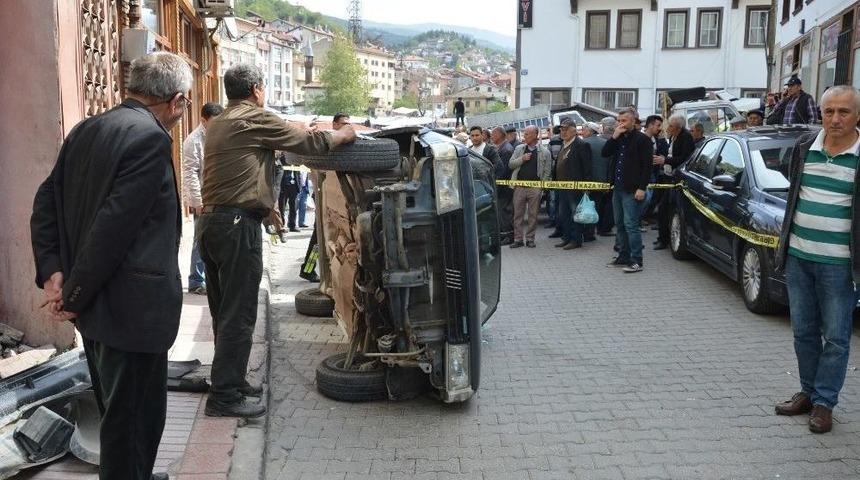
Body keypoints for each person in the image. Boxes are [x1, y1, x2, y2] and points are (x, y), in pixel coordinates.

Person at [30, 52, 191, 480]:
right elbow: (113, 228)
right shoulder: (150, 139)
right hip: (129, 310)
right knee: (133, 423)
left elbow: (45, 200)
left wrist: (54, 273)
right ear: (176, 101)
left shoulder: (87, 128)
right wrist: (72, 293)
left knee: (120, 416)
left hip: (101, 308)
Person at [199, 64, 356, 417]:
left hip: (213, 222)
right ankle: (224, 396)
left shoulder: (222, 119)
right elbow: (308, 142)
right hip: (236, 226)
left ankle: (230, 380)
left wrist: (267, 208)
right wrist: (344, 135)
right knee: (239, 313)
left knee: (224, 310)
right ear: (256, 89)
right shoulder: (254, 117)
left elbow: (241, 170)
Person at [773, 85, 860, 434]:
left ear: (857, 115)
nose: (835, 119)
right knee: (803, 332)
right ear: (820, 113)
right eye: (829, 111)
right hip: (798, 258)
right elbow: (792, 190)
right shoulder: (802, 148)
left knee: (837, 337)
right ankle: (808, 393)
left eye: (844, 112)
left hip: (839, 265)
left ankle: (825, 402)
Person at [299, 114, 351, 284]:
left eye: (349, 123)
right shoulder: (326, 143)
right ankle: (308, 269)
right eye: (343, 123)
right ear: (335, 124)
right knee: (318, 237)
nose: (346, 126)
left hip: (338, 197)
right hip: (324, 196)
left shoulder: (346, 144)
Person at [602, 108, 652, 273]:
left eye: (623, 120)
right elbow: (605, 153)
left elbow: (647, 166)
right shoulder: (619, 138)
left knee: (631, 224)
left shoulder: (643, 140)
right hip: (618, 188)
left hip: (632, 189)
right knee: (620, 224)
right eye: (619, 120)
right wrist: (614, 137)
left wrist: (642, 188)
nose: (620, 124)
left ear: (633, 121)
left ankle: (637, 260)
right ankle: (623, 256)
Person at [182, 102, 224, 295]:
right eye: (214, 123)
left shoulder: (221, 136)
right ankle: (196, 281)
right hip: (203, 199)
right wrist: (197, 202)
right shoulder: (193, 141)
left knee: (217, 240)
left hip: (219, 198)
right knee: (201, 241)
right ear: (203, 120)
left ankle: (212, 279)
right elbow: (190, 173)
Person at [653, 114, 695, 250]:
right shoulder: (673, 136)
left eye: (670, 125)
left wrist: (665, 160)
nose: (668, 128)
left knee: (664, 209)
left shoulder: (686, 137)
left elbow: (684, 158)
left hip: (677, 179)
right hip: (668, 175)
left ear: (678, 127)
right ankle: (663, 238)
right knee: (664, 209)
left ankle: (663, 239)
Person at [508, 125, 551, 248]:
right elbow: (511, 164)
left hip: (535, 188)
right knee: (518, 215)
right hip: (519, 186)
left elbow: (547, 172)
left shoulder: (545, 152)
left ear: (534, 135)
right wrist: (522, 159)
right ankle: (518, 239)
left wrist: (541, 187)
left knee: (533, 215)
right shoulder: (519, 149)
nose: (524, 136)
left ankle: (530, 239)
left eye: (527, 134)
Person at [552, 118, 592, 250]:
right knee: (564, 214)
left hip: (575, 187)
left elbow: (587, 168)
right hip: (562, 187)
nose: (562, 132)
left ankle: (576, 240)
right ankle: (567, 237)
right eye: (561, 130)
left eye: (565, 130)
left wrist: (586, 186)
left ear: (574, 131)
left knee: (575, 213)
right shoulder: (564, 144)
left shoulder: (581, 145)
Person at [581, 121, 608, 241]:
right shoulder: (605, 143)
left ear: (590, 131)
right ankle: (591, 232)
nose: (582, 132)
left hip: (585, 181)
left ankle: (583, 232)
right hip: (602, 181)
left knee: (583, 206)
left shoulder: (582, 143)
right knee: (595, 206)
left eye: (584, 129)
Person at [491, 126, 515, 245]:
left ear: (500, 135)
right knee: (501, 212)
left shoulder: (506, 150)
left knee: (505, 212)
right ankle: (503, 234)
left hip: (504, 188)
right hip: (500, 187)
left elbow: (504, 171)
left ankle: (509, 236)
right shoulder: (501, 148)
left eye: (494, 134)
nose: (491, 136)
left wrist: (497, 183)